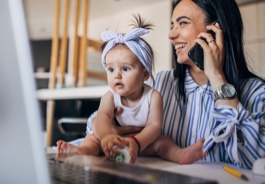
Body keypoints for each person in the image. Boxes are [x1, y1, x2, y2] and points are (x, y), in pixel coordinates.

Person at [85, 0, 265, 169]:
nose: (171, 34)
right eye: (172, 25)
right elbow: (95, 122)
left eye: (183, 23)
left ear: (215, 30)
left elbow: (258, 160)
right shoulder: (160, 82)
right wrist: (111, 131)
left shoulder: (255, 92)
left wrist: (217, 78)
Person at [57, 14, 205, 164]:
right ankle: (83, 151)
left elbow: (154, 126)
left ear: (145, 73)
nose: (117, 76)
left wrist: (137, 142)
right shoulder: (110, 97)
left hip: (141, 143)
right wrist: (107, 137)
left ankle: (181, 155)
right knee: (92, 138)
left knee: (163, 142)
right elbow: (102, 119)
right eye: (111, 69)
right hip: (112, 142)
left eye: (126, 69)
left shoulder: (153, 96)